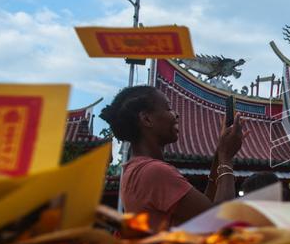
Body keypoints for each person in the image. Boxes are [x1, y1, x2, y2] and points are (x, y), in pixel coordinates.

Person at [100, 86, 243, 227]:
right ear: (147, 119)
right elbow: (218, 220)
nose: (176, 114)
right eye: (168, 109)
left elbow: (205, 208)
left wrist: (220, 151)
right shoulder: (155, 172)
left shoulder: (136, 169)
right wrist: (226, 158)